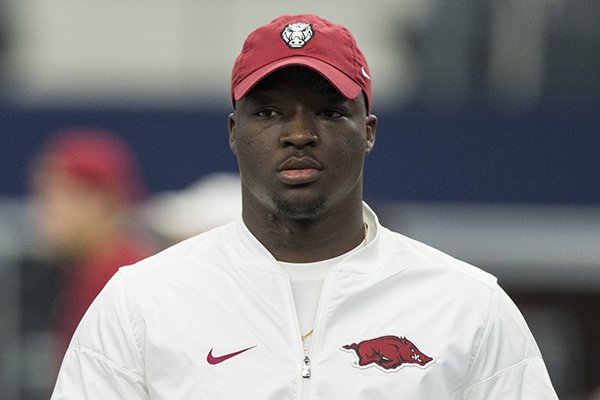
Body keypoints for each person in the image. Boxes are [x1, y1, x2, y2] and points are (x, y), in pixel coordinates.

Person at [50, 14, 558, 399]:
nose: (298, 133)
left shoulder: (467, 306)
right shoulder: (142, 303)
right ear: (233, 132)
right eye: (268, 112)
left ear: (369, 133)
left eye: (329, 111)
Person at [27, 127, 156, 362]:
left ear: (105, 202)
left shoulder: (120, 281)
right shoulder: (85, 271)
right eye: (43, 195)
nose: (47, 212)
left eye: (64, 195)